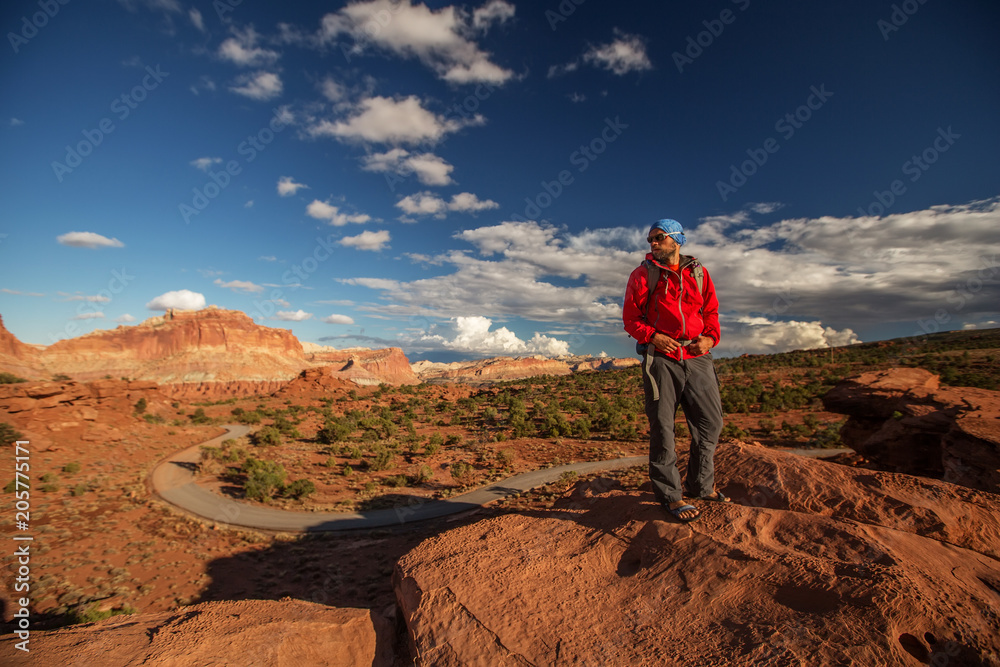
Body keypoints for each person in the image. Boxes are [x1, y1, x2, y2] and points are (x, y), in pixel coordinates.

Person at [622, 219, 728, 523]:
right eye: (650, 240)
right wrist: (653, 336)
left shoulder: (699, 273)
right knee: (663, 427)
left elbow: (711, 312)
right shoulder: (642, 274)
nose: (652, 244)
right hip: (661, 358)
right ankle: (671, 496)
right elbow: (631, 319)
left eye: (658, 238)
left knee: (710, 423)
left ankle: (700, 485)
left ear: (676, 239)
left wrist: (709, 338)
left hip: (697, 355)